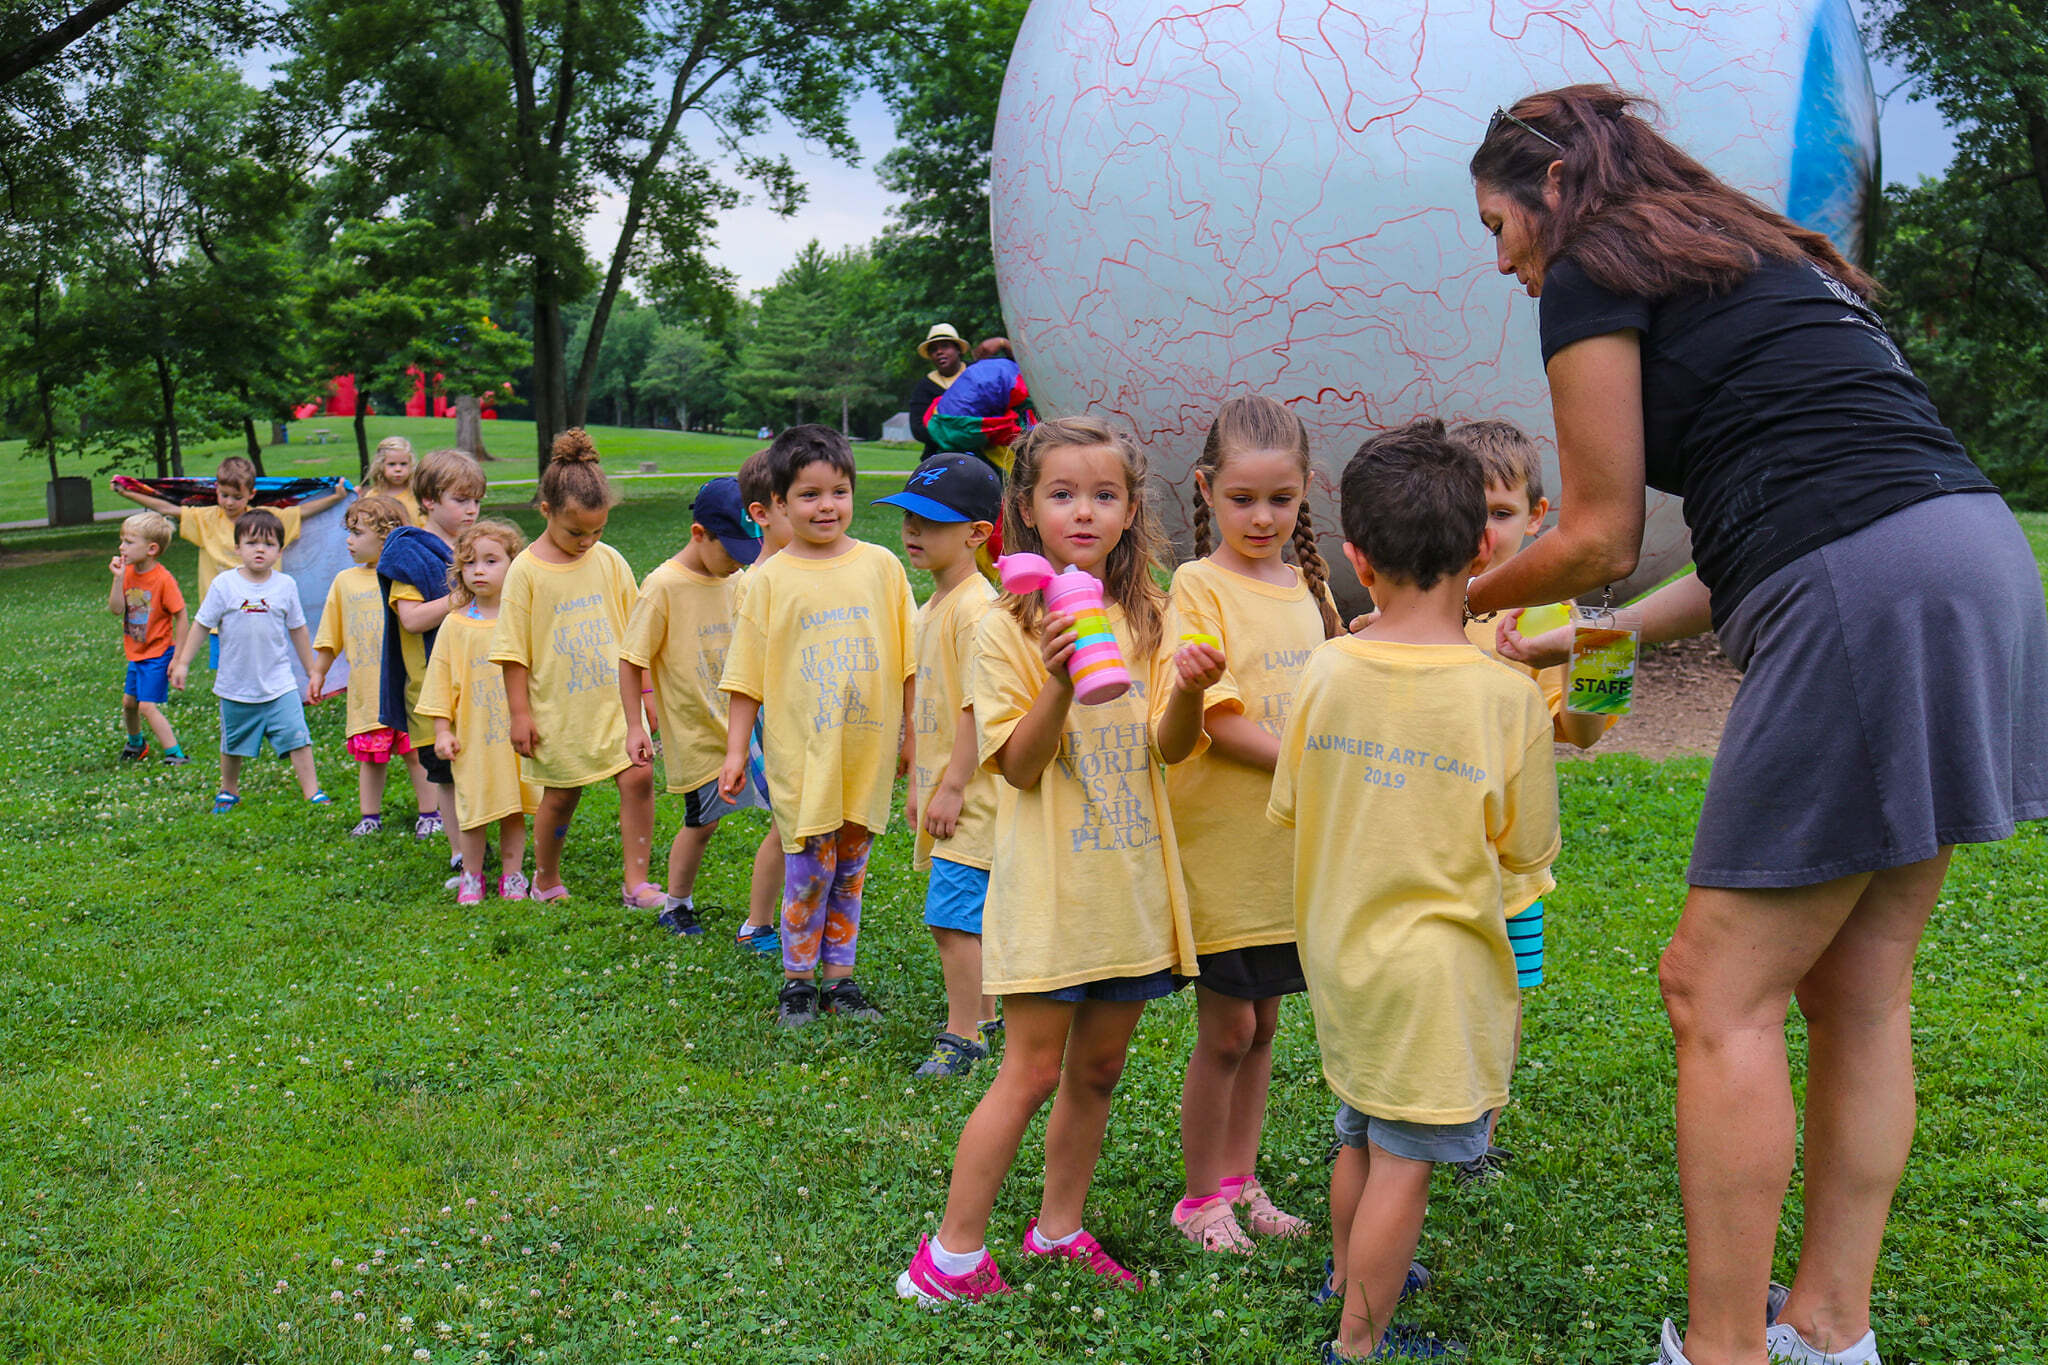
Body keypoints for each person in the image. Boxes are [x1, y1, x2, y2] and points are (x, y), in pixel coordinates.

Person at [1467, 86, 2048, 1365]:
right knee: (1858, 985)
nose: (1501, 260)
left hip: (1868, 587)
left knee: (1711, 988)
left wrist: (1438, 597)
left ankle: (1723, 1351)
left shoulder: (1591, 269)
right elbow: (1754, 540)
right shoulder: (1754, 260)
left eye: (1498, 225)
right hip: (1974, 562)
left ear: (1549, 195)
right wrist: (1581, 639)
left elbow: (1597, 531)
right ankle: (1829, 1331)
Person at [1271, 420, 1559, 1361]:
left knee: (1358, 1130)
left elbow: (1293, 804)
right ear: (1484, 544)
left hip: (1342, 956)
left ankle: (1343, 1271)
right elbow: (1527, 847)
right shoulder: (1505, 695)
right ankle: (1360, 1342)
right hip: (1437, 980)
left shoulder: (1324, 666)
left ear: (1356, 554)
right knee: (1404, 1164)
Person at [895, 416, 1199, 1305]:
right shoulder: (1002, 626)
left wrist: (1193, 689)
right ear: (1024, 508)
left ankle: (1058, 1227)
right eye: (1062, 494)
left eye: (1105, 495)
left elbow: (1169, 748)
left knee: (1097, 1072)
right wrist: (1062, 676)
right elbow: (1020, 768)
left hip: (1128, 885)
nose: (1084, 512)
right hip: (1048, 889)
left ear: (1131, 509)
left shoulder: (1146, 612)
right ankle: (949, 1256)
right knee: (1028, 1070)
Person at [1152, 395, 1342, 1253]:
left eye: (1281, 499)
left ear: (1306, 493)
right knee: (1226, 1028)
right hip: (1224, 851)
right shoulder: (1197, 585)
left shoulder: (1307, 585)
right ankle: (1200, 1196)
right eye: (1241, 499)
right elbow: (1217, 724)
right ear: (1206, 489)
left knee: (1264, 1027)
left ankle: (1240, 1177)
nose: (1262, 518)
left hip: (1286, 851)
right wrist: (1316, 767)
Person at [1447, 417, 1615, 1184]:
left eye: (1502, 513)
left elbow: (1582, 731)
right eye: (1466, 510)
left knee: (1502, 999)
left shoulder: (1548, 615)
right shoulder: (1423, 604)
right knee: (1429, 994)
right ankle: (1397, 1119)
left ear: (1537, 516)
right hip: (1428, 855)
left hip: (1511, 867)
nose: (1483, 532)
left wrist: (1595, 648)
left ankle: (1478, 1132)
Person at [717, 425, 916, 1027]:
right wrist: (733, 752)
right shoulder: (767, 580)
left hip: (867, 752)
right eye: (808, 495)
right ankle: (797, 983)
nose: (826, 506)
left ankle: (841, 982)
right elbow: (746, 677)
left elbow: (910, 661)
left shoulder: (881, 566)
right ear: (777, 505)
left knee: (851, 870)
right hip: (801, 756)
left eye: (839, 491)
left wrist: (911, 735)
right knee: (808, 870)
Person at [877, 453, 1006, 1076]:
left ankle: (964, 1036)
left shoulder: (978, 610)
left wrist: (952, 786)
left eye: (930, 521)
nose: (912, 531)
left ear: (977, 534)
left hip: (976, 800)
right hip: (947, 791)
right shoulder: (935, 607)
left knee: (951, 921)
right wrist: (922, 780)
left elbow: (978, 709)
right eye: (908, 517)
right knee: (962, 919)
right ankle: (983, 1013)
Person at [492, 429, 658, 906]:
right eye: (575, 532)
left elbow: (635, 639)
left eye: (597, 530)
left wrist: (646, 703)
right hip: (557, 710)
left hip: (615, 705)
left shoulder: (610, 561)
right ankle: (546, 879)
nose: (587, 541)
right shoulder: (524, 571)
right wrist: (520, 714)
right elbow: (512, 653)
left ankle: (637, 882)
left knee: (639, 777)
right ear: (545, 511)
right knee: (562, 796)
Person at [620, 477, 763, 936]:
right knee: (701, 823)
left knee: (786, 811)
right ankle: (676, 904)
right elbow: (631, 659)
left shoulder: (736, 578)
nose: (739, 564)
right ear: (700, 534)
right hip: (696, 733)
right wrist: (635, 725)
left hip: (743, 727)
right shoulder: (662, 585)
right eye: (732, 552)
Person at [167, 508, 331, 812]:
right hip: (235, 684)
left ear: (280, 551)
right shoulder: (224, 585)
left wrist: (312, 671)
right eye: (252, 542)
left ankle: (312, 791)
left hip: (279, 683)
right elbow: (202, 624)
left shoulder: (285, 586)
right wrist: (184, 662)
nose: (260, 549)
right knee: (233, 743)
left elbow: (298, 629)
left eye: (269, 544)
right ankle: (229, 790)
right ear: (237, 547)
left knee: (298, 736)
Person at [418, 520, 538, 904]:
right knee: (472, 809)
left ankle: (513, 874)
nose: (479, 570)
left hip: (515, 739)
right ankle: (472, 876)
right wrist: (442, 730)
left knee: (513, 806)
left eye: (490, 561)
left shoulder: (523, 620)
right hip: (471, 739)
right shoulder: (454, 626)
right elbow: (440, 681)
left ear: (513, 565)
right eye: (470, 563)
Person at [378, 447, 484, 851]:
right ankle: (461, 854)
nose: (471, 510)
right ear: (428, 500)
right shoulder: (410, 551)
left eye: (476, 500)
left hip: (477, 681)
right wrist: (463, 595)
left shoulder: (475, 550)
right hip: (431, 690)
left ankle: (481, 844)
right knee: (446, 775)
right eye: (461, 500)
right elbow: (412, 619)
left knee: (479, 766)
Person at [311, 495, 435, 837]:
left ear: (386, 536)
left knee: (415, 753)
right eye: (348, 532)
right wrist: (318, 671)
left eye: (357, 533)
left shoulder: (404, 578)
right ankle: (370, 816)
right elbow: (330, 633)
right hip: (367, 690)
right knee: (370, 757)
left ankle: (430, 813)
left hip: (406, 684)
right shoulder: (344, 582)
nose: (349, 541)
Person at [112, 454, 350, 599]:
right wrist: (128, 492)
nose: (229, 502)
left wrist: (336, 497)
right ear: (216, 490)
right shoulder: (205, 520)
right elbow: (167, 509)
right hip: (221, 616)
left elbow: (302, 512)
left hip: (263, 610)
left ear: (251, 494)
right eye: (224, 495)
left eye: (237, 497)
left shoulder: (265, 521)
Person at [728, 450, 791, 957]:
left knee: (803, 825)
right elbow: (751, 671)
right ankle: (758, 923)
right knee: (788, 823)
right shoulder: (755, 581)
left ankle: (798, 914)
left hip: (808, 719)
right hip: (774, 721)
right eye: (798, 501)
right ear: (763, 512)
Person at [108, 510, 190, 765]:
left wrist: (178, 657)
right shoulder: (128, 572)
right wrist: (117, 580)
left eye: (129, 542)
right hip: (137, 653)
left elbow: (182, 615)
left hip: (158, 653)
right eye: (122, 540)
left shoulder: (163, 580)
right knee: (129, 702)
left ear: (151, 548)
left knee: (146, 706)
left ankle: (175, 753)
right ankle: (136, 745)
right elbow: (116, 608)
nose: (122, 547)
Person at [907, 323, 970, 458]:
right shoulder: (924, 387)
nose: (939, 352)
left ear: (958, 349)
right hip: (939, 455)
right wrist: (952, 436)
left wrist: (1003, 343)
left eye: (945, 346)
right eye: (933, 349)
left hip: (983, 452)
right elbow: (917, 428)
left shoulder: (977, 373)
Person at [368, 436, 422, 524]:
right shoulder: (373, 496)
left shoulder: (417, 493)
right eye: (392, 464)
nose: (398, 469)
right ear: (381, 466)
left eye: (403, 464)